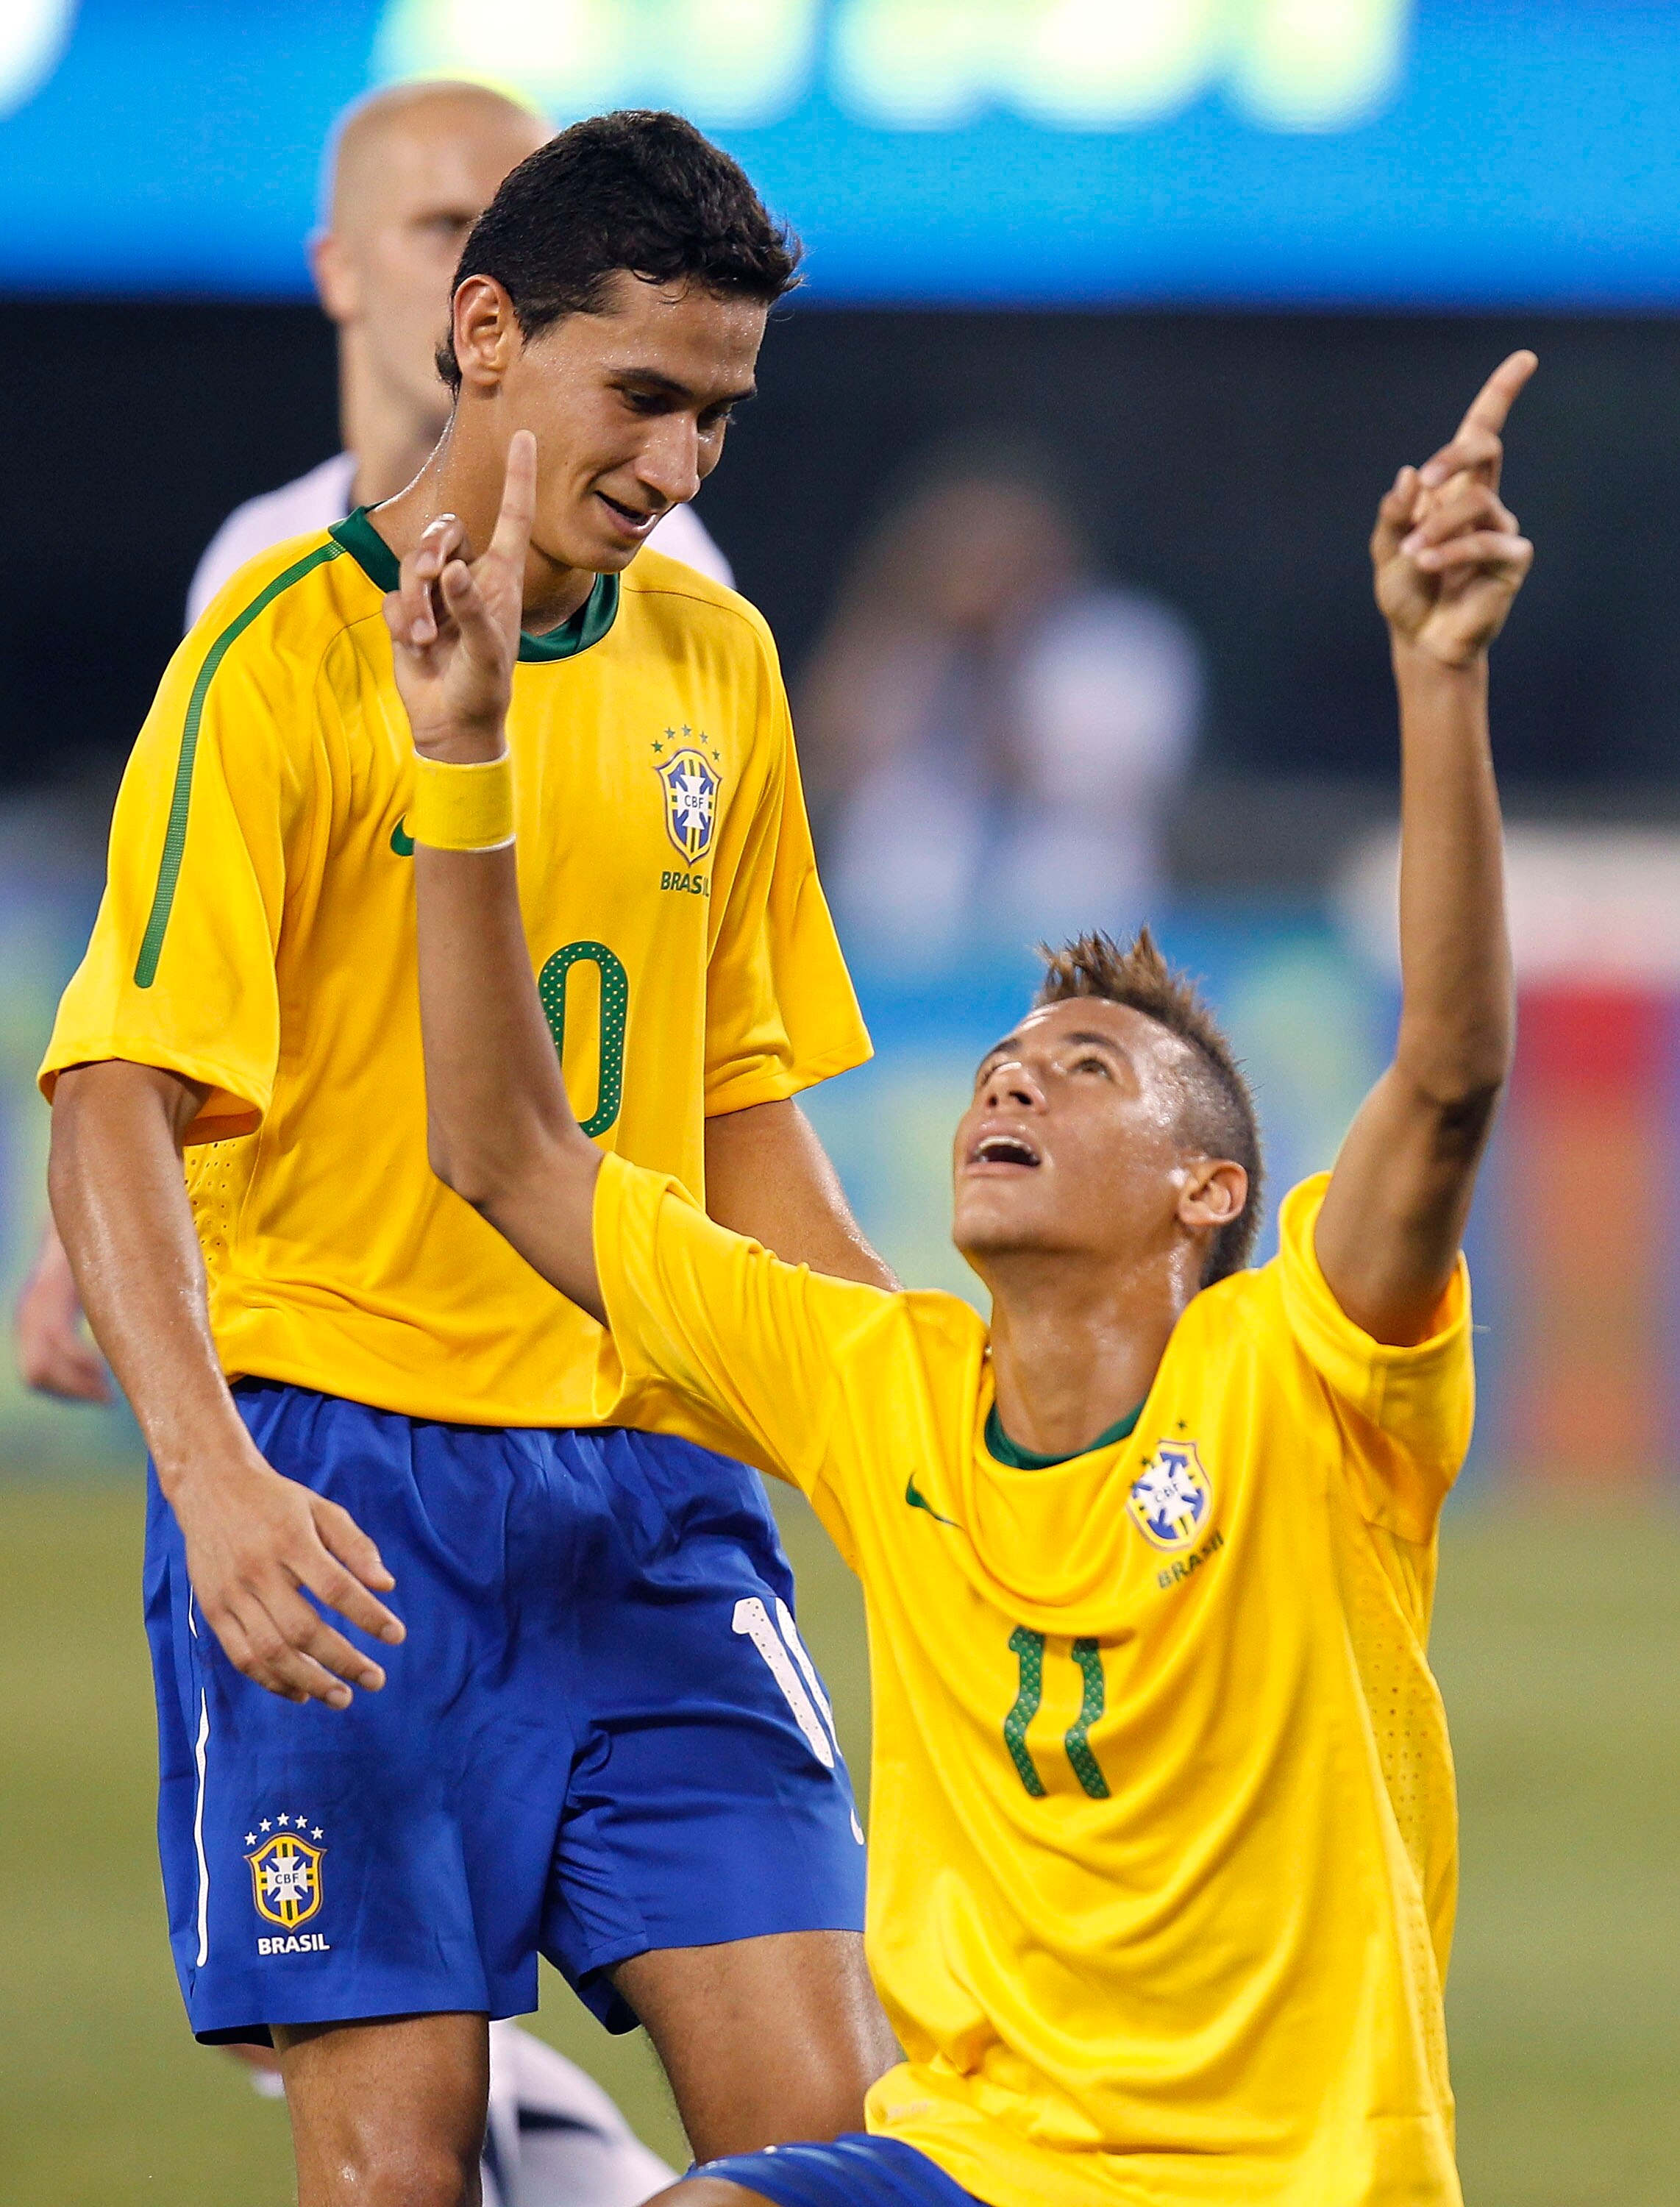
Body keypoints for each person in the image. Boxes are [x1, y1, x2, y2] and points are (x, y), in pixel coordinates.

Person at [399, 352, 1536, 2207]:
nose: (1014, 1073)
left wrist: (1440, 667)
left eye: (1087, 1067)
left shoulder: (1304, 1377)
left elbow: (1451, 1074)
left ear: (1208, 1190)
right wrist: (460, 764)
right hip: (985, 2166)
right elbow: (510, 1155)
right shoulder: (880, 1384)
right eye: (1011, 1055)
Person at [40, 111, 899, 2207]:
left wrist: (929, 1448)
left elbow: (742, 1125)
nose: (684, 464)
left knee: (842, 2145)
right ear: (487, 335)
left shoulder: (723, 668)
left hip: (651, 1494)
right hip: (344, 1498)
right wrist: (210, 1474)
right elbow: (111, 1102)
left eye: (719, 415)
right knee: (392, 2176)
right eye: (647, 397)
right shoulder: (270, 662)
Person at [14, 77, 730, 1406]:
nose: (484, 266)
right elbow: (196, 938)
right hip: (325, 1330)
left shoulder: (670, 581)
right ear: (338, 270)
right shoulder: (260, 573)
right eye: (444, 223)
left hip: (556, 1333)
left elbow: (698, 999)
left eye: (516, 229)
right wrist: (104, 1212)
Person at [802, 447, 1199, 961]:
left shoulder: (1121, 644)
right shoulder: (908, 644)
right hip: (904, 951)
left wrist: (1000, 646)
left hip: (1075, 939)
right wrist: (885, 593)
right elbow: (821, 755)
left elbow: (1069, 772)